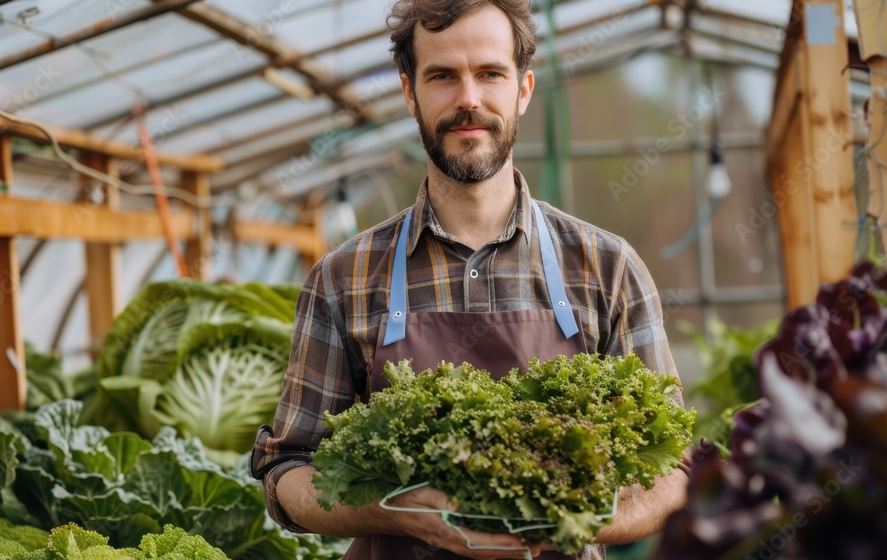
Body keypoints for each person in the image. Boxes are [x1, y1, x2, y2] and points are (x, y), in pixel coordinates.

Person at [251, 1, 690, 558]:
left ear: (523, 89)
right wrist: (397, 511)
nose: (468, 100)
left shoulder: (607, 268)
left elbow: (672, 469)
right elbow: (288, 469)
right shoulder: (344, 277)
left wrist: (563, 518)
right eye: (442, 76)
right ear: (410, 92)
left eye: (489, 73)